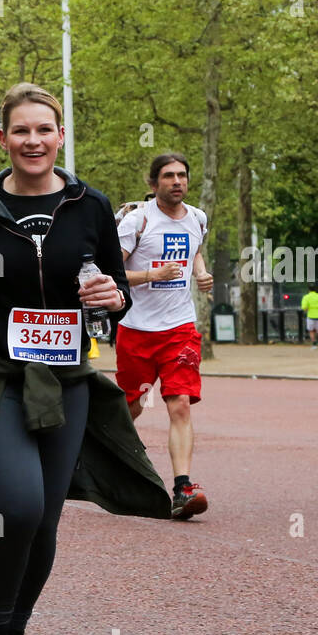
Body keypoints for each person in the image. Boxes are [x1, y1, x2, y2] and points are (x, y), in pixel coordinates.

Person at [0, 82, 169, 635]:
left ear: (60, 137)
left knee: (47, 519)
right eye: (20, 130)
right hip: (0, 374)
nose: (32, 140)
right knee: (22, 506)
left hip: (68, 375)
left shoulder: (90, 205)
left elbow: (117, 291)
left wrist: (114, 298)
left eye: (44, 130)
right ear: (3, 139)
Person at [115, 152, 215, 520]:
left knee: (180, 404)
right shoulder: (137, 221)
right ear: (153, 183)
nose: (177, 181)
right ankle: (110, 456)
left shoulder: (197, 218)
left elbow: (196, 253)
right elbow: (111, 274)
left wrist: (200, 274)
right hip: (137, 330)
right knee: (132, 406)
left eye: (182, 175)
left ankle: (183, 488)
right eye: (169, 176)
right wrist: (150, 276)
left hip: (180, 329)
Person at [301, 283, 318, 348]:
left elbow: (304, 307)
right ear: (315, 289)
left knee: (311, 330)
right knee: (316, 329)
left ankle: (314, 342)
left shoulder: (306, 297)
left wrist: (308, 309)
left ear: (308, 289)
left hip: (310, 315)